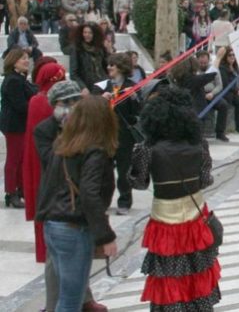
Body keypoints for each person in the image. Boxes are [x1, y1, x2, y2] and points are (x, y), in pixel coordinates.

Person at [129, 86, 221, 310]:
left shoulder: (146, 149)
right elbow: (205, 180)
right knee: (197, 274)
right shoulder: (200, 145)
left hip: (165, 223)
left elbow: (139, 183)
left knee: (169, 276)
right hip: (197, 218)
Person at [35, 96, 119, 312]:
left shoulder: (63, 145)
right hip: (73, 227)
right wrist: (105, 235)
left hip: (53, 223)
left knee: (64, 295)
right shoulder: (95, 151)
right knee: (71, 300)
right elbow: (90, 194)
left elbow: (48, 185)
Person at [22, 59, 65, 262]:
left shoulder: (36, 100)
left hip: (38, 158)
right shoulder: (48, 103)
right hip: (50, 159)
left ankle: (44, 251)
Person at [101, 53, 141, 214]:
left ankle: (124, 202)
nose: (109, 67)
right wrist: (101, 100)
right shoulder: (103, 86)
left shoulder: (132, 86)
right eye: (109, 64)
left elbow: (137, 113)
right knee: (104, 171)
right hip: (105, 135)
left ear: (122, 68)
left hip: (124, 136)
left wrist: (134, 98)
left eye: (113, 65)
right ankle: (103, 202)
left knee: (124, 171)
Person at [0, 48, 37, 208]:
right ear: (14, 61)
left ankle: (20, 189)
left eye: (27, 58)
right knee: (14, 160)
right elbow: (21, 105)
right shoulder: (13, 80)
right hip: (14, 125)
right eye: (23, 58)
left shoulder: (20, 78)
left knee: (21, 159)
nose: (27, 61)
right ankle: (11, 191)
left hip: (20, 124)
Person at [69, 22, 109, 94]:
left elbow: (105, 66)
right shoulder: (77, 48)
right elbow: (73, 73)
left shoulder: (100, 48)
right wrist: (83, 87)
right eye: (85, 32)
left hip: (102, 84)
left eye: (90, 33)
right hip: (87, 86)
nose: (87, 35)